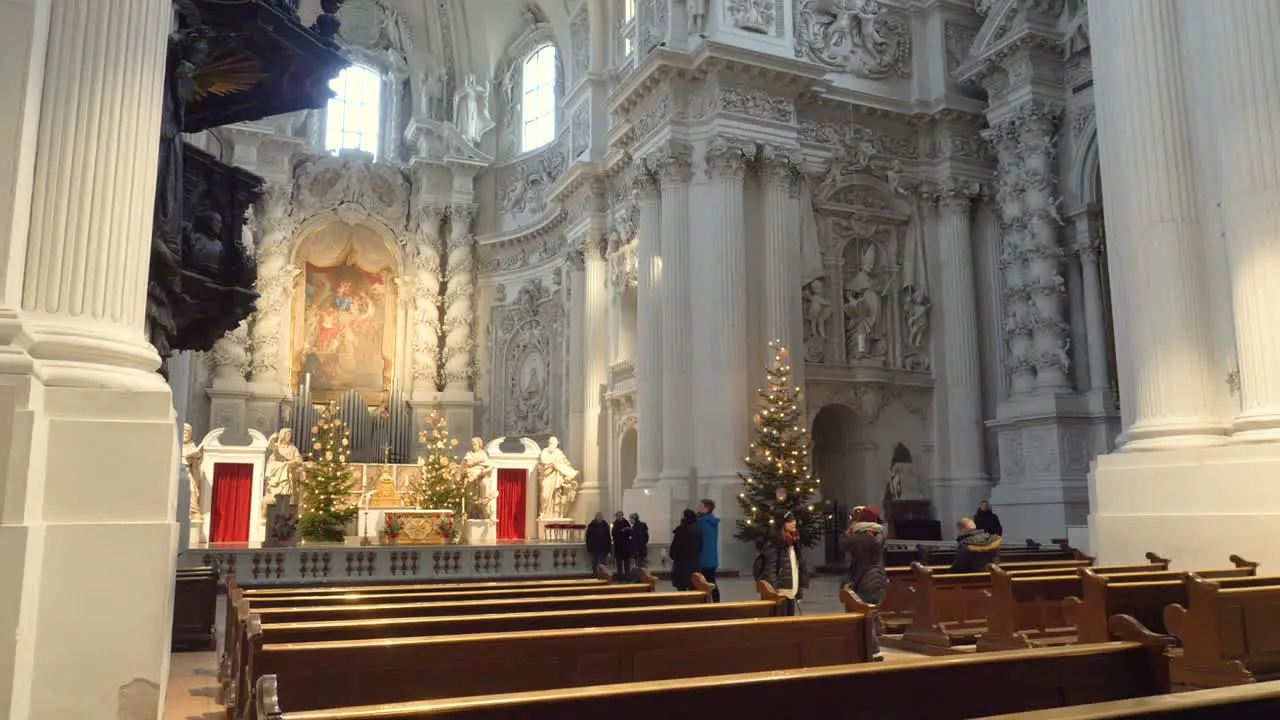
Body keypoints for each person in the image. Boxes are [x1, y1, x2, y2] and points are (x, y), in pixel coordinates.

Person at [840, 505, 888, 660]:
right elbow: (885, 525)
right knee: (869, 616)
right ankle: (867, 648)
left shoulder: (859, 538)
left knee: (863, 616)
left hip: (865, 582)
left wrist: (852, 522)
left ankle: (874, 650)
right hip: (880, 582)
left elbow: (842, 542)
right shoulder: (879, 534)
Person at [761, 512, 807, 616]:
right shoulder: (775, 541)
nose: (794, 523)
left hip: (791, 589)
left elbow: (798, 565)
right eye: (790, 521)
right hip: (781, 591)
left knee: (790, 622)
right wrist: (774, 591)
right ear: (782, 524)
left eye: (794, 520)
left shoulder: (794, 540)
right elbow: (770, 568)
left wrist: (799, 589)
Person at [669, 509, 702, 591]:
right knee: (693, 587)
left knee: (682, 588)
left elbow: (676, 547)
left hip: (681, 564)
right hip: (694, 563)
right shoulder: (698, 529)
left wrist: (673, 555)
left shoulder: (682, 529)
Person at [696, 498, 721, 603]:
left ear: (707, 508)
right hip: (712, 557)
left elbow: (699, 539)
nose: (699, 508)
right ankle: (715, 602)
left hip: (704, 557)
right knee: (711, 581)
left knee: (704, 582)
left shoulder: (702, 522)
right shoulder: (713, 521)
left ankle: (709, 602)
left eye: (701, 506)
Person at [611, 511, 633, 576]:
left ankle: (627, 577)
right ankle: (620, 578)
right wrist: (622, 531)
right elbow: (613, 534)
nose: (620, 517)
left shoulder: (626, 523)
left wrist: (627, 530)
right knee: (619, 565)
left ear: (623, 516)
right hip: (618, 546)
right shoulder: (614, 524)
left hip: (626, 546)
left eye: (621, 515)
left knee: (627, 564)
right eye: (618, 515)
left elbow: (630, 533)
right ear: (616, 516)